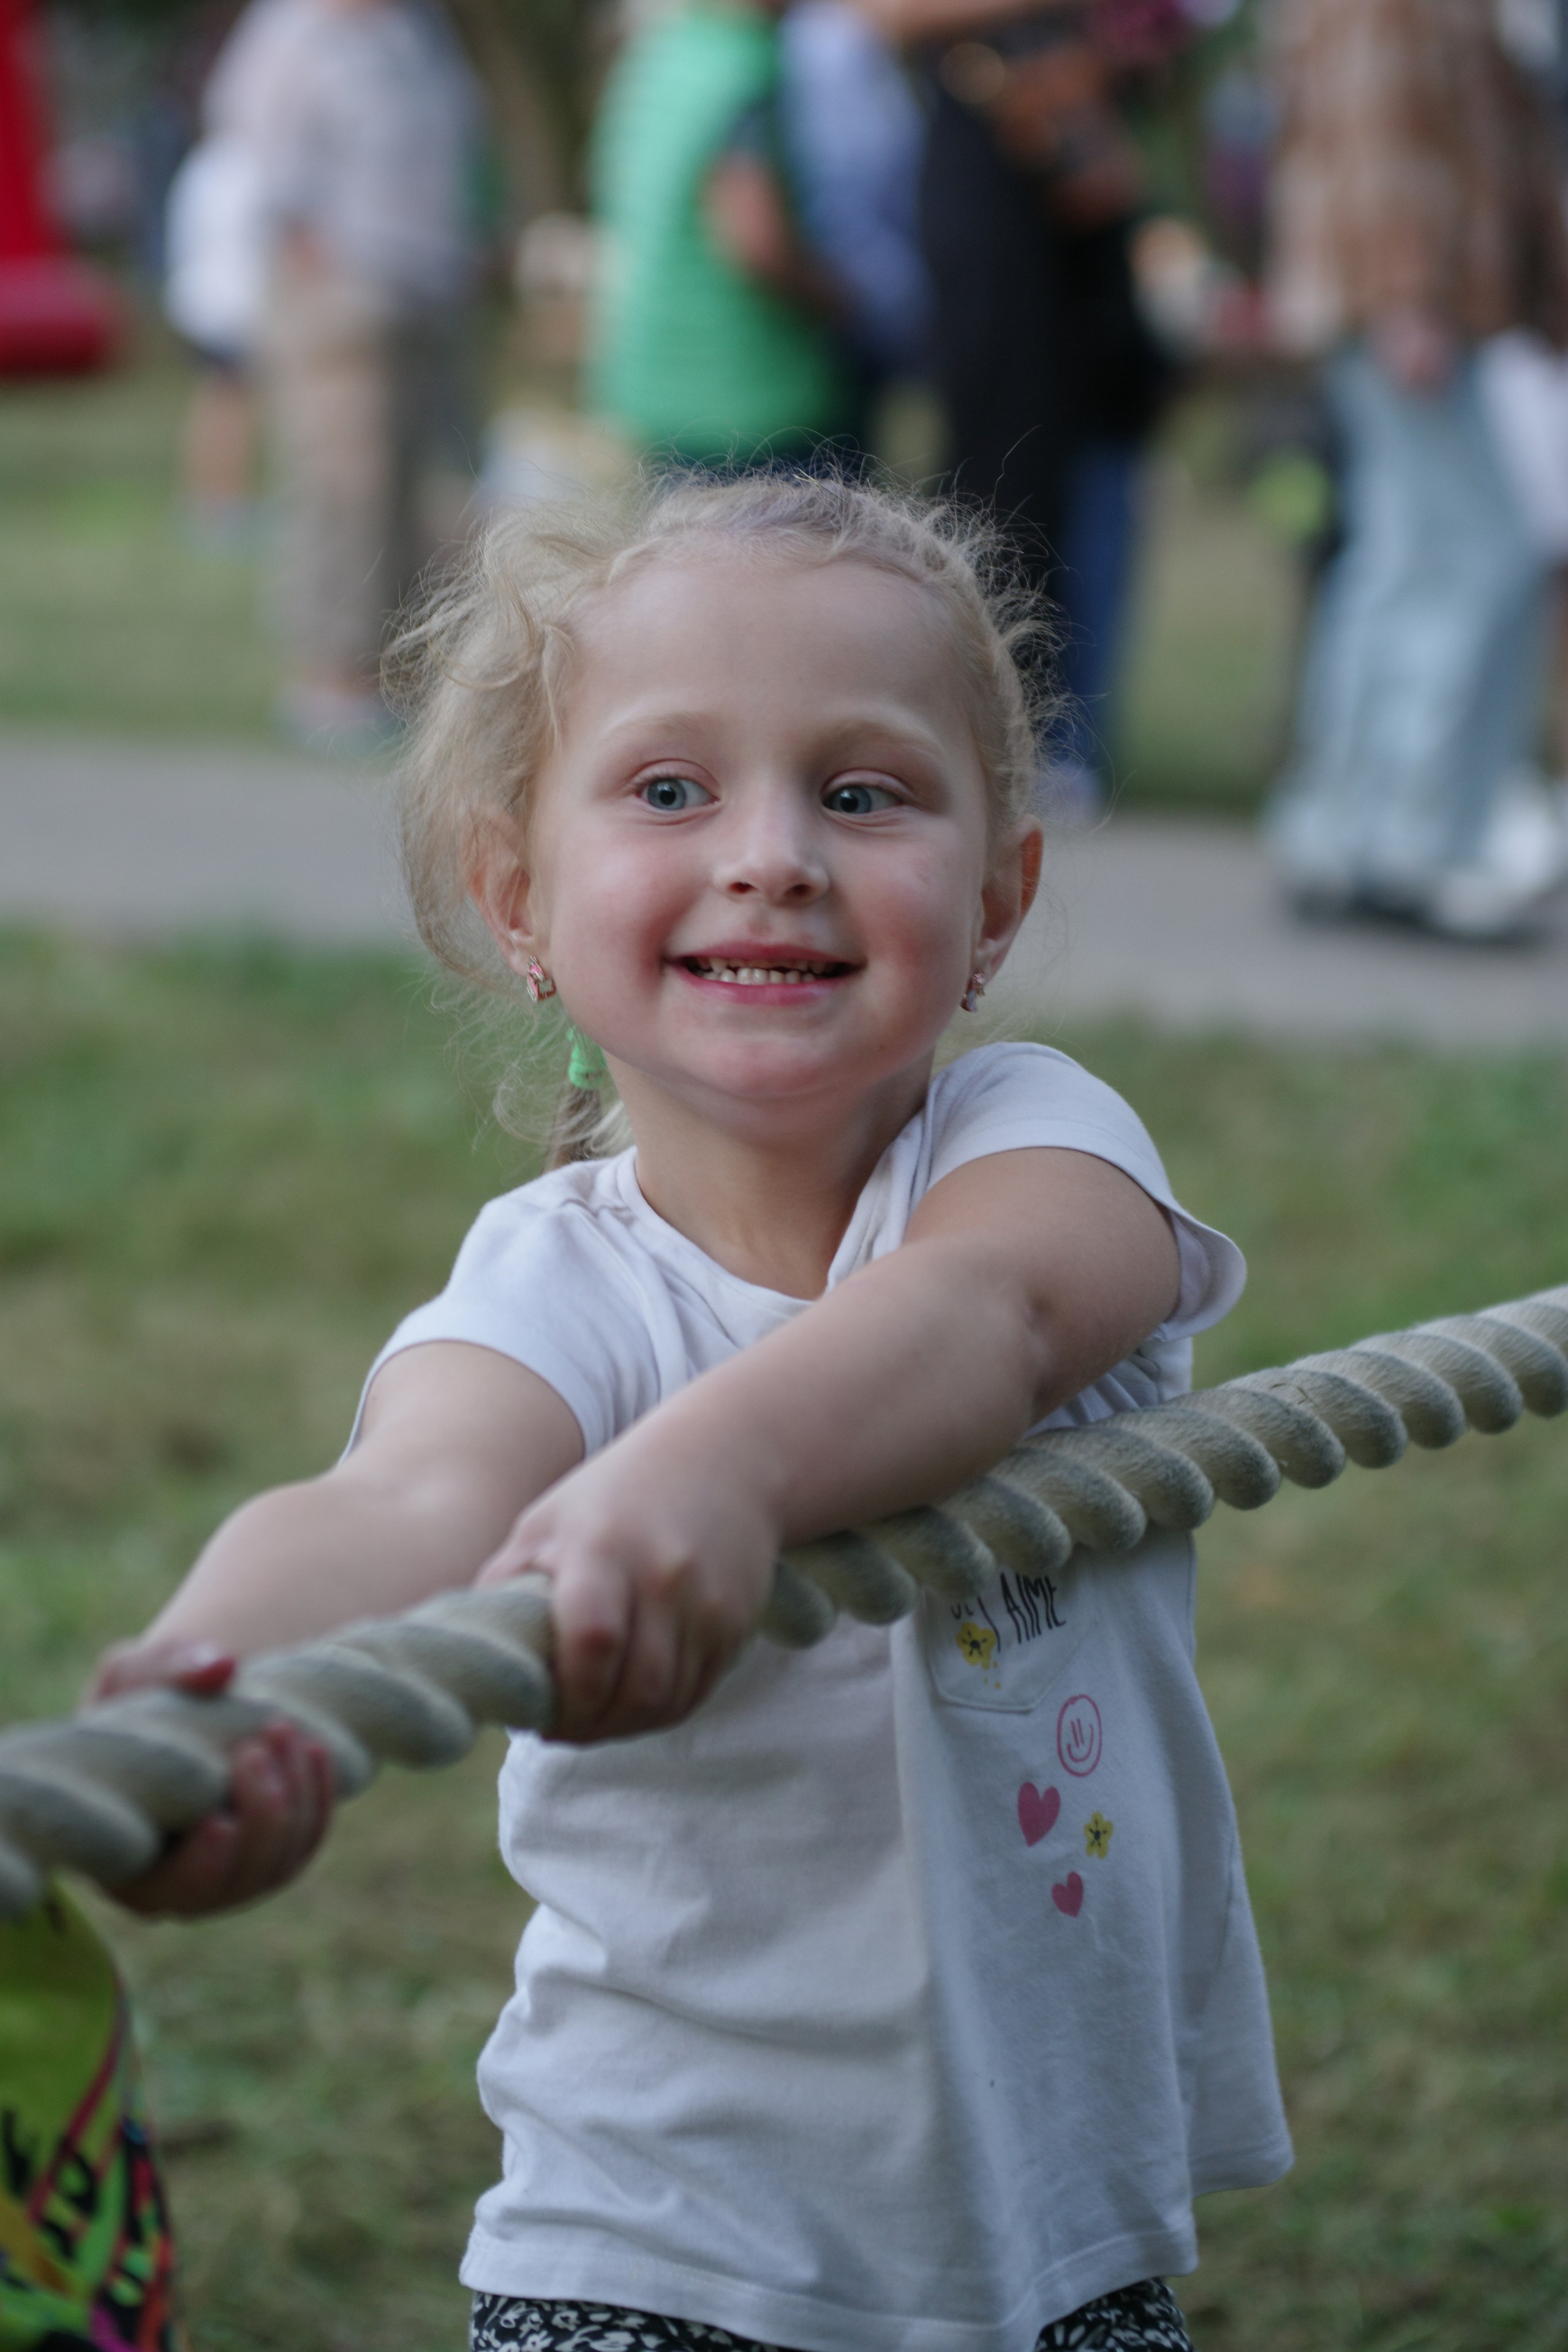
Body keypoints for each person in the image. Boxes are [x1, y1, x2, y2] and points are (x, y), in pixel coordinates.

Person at [91, 473, 1291, 2352]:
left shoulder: (1036, 1145)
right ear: (521, 901)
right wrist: (220, 1680)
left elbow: (989, 1313)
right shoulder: (556, 1284)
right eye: (669, 789)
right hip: (640, 2243)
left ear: (999, 893)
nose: (771, 853)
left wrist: (718, 1463)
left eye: (863, 787)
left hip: (1053, 2234)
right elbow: (403, 1499)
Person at [1266, 0, 1568, 939]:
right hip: (1412, 300)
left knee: (1403, 554)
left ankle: (1345, 834)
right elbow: (1381, 122)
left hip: (1419, 297)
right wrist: (1409, 292)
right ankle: (1423, 841)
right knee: (1482, 551)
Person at [248, 0, 487, 750]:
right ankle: (330, 677)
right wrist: (332, 279)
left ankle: (397, 670)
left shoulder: (416, 29)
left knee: (415, 491)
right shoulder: (292, 35)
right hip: (343, 298)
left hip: (422, 292)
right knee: (343, 488)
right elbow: (270, 174)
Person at [587, 0, 854, 467]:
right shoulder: (742, 70)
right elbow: (757, 240)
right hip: (749, 397)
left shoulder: (661, 50)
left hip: (659, 381)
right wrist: (838, 298)